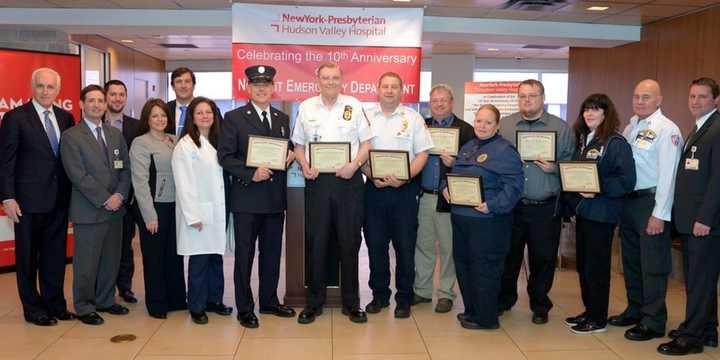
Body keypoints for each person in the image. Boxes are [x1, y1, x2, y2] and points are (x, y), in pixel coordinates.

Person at [291, 63, 374, 324]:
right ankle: (313, 304)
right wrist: (304, 166)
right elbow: (299, 145)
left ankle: (352, 304)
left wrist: (354, 166)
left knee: (349, 243)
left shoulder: (354, 105)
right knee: (317, 243)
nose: (330, 82)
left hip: (348, 182)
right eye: (325, 78)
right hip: (318, 183)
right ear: (317, 80)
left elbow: (367, 143)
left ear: (342, 80)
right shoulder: (306, 107)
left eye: (335, 77)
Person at [218, 65, 296, 329]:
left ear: (273, 88)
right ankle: (245, 308)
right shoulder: (234, 117)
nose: (262, 89)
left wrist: (291, 155)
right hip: (248, 199)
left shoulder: (282, 118)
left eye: (266, 85)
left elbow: (289, 149)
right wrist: (252, 173)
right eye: (256, 85)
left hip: (275, 200)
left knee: (272, 255)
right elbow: (225, 157)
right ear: (248, 88)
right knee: (244, 256)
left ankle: (269, 301)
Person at [0, 67, 75, 326]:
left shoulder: (66, 118)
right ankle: (33, 309)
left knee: (55, 256)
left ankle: (55, 304)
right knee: (28, 258)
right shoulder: (15, 118)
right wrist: (7, 197)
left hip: (58, 201)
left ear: (58, 90)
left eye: (50, 87)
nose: (45, 91)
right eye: (41, 86)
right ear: (33, 88)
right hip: (26, 203)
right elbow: (6, 161)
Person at [609, 80, 682, 341]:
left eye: (647, 97)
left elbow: (669, 176)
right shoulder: (631, 127)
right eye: (637, 96)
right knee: (630, 261)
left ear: (659, 100)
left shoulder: (667, 129)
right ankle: (635, 309)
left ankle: (653, 320)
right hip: (629, 202)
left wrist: (659, 214)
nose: (640, 101)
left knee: (653, 264)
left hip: (650, 204)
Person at [498, 79, 575, 324]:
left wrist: (554, 168)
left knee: (543, 258)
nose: (527, 100)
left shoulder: (561, 128)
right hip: (513, 206)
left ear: (542, 97)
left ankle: (540, 304)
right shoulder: (505, 126)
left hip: (545, 206)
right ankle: (505, 299)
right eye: (522, 96)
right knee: (509, 256)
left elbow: (573, 167)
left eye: (532, 96)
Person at [441, 104, 524, 330]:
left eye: (488, 122)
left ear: (497, 126)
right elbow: (452, 174)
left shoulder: (506, 150)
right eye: (479, 121)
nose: (482, 126)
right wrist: (444, 188)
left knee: (485, 269)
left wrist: (492, 206)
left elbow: (514, 187)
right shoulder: (468, 146)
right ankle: (472, 310)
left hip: (489, 222)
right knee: (464, 266)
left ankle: (486, 318)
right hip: (461, 218)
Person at [563, 94, 636, 334]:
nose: (589, 114)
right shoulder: (585, 140)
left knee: (596, 268)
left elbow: (627, 181)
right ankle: (590, 310)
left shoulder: (615, 143)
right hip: (584, 214)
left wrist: (598, 188)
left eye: (595, 110)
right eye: (586, 109)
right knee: (584, 266)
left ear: (606, 114)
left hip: (602, 214)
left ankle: (598, 318)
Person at [658, 78, 720, 356]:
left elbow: (718, 180)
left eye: (703, 97)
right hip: (690, 219)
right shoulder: (700, 127)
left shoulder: (716, 129)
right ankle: (706, 330)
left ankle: (691, 337)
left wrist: (705, 218)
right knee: (700, 279)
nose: (696, 101)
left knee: (699, 281)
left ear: (715, 99)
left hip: (704, 223)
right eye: (692, 96)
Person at [362, 72, 433, 318]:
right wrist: (371, 176)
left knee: (405, 246)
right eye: (385, 86)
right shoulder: (366, 117)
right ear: (378, 89)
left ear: (402, 91)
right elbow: (359, 153)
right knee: (376, 245)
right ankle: (379, 295)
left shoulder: (413, 118)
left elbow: (423, 153)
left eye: (395, 87)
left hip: (405, 191)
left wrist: (406, 177)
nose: (390, 91)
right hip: (374, 190)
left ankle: (404, 297)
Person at [60, 84, 132, 325]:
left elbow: (125, 169)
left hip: (116, 210)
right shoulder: (71, 137)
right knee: (86, 263)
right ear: (81, 104)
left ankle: (105, 300)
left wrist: (119, 196)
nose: (97, 104)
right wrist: (105, 198)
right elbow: (77, 175)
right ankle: (84, 305)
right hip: (89, 210)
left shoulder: (114, 134)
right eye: (91, 100)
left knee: (111, 260)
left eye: (100, 100)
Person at [413, 84, 474, 313]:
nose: (439, 104)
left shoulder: (466, 130)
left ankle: (447, 293)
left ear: (452, 102)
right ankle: (422, 290)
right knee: (424, 245)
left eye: (444, 100)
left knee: (449, 248)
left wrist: (455, 164)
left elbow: (474, 165)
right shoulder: (422, 126)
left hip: (451, 197)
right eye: (435, 100)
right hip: (425, 196)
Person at [172, 96, 232, 325]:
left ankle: (214, 300)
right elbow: (184, 184)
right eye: (200, 113)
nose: (205, 116)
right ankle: (196, 305)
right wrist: (193, 215)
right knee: (199, 260)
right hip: (198, 213)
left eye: (209, 112)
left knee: (216, 256)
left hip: (217, 210)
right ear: (192, 118)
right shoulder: (185, 146)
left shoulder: (219, 141)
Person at [130, 98, 187, 319]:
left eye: (163, 115)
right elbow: (140, 181)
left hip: (176, 207)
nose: (160, 119)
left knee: (175, 254)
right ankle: (157, 303)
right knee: (155, 256)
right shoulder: (140, 143)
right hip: (153, 207)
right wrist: (149, 215)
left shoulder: (175, 140)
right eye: (155, 116)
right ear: (147, 119)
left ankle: (176, 298)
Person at [104, 79, 141, 304]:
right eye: (113, 94)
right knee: (103, 245)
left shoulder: (136, 126)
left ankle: (124, 287)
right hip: (99, 197)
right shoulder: (92, 123)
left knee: (125, 244)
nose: (117, 99)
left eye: (121, 94)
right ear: (106, 97)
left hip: (128, 197)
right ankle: (103, 287)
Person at [167, 67, 195, 136]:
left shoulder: (208, 110)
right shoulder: (165, 109)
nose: (183, 86)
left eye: (187, 81)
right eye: (179, 81)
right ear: (173, 87)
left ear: (193, 85)